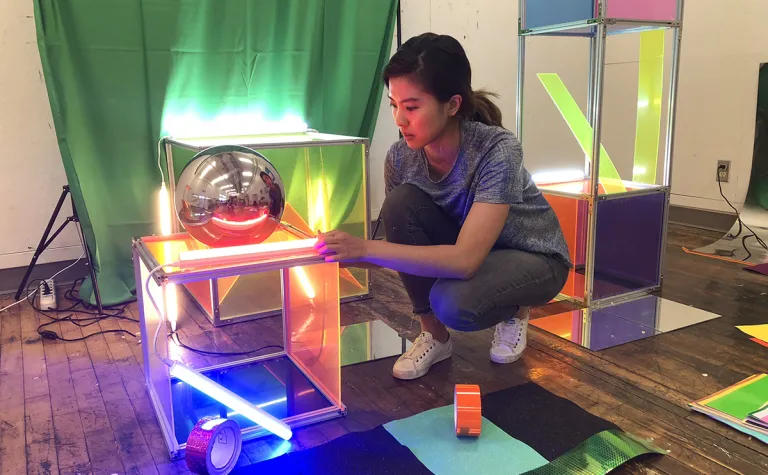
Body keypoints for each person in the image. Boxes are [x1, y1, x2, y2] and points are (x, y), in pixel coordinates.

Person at [314, 32, 572, 380]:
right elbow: (403, 245)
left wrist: (364, 247)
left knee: (454, 303)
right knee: (400, 202)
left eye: (412, 106)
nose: (399, 120)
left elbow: (464, 261)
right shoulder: (400, 157)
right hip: (470, 247)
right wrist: (347, 254)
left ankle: (515, 309)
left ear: (452, 105)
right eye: (394, 104)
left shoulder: (498, 149)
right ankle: (434, 335)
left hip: (533, 258)